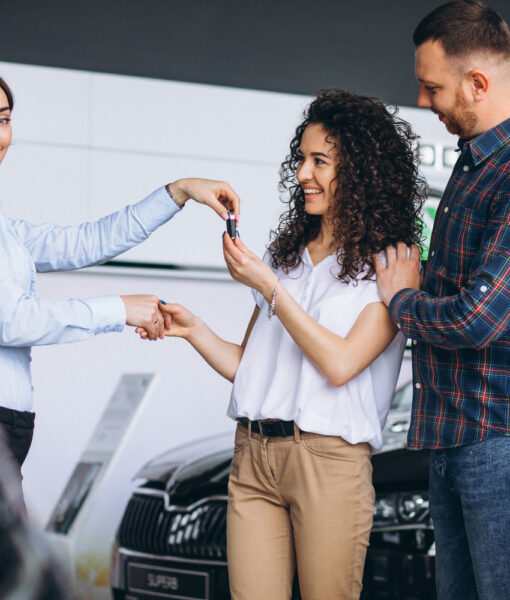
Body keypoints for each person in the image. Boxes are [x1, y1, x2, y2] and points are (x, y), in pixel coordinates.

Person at [143, 89, 425, 599]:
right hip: (252, 456)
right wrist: (193, 330)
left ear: (361, 171)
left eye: (320, 161)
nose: (302, 175)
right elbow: (250, 368)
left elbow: (340, 364)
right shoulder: (286, 254)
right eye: (301, 159)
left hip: (329, 463)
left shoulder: (393, 267)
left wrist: (269, 289)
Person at [0, 76, 240, 499]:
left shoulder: (7, 231)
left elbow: (86, 242)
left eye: (3, 119)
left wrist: (179, 192)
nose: (1, 134)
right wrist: (118, 309)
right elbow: (13, 320)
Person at [374, 2, 510, 599]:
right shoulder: (472, 165)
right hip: (450, 439)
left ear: (477, 83)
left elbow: (478, 317)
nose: (424, 103)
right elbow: (453, 284)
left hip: (495, 446)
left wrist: (402, 299)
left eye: (433, 88)